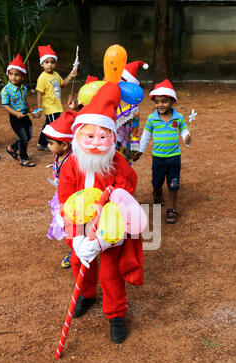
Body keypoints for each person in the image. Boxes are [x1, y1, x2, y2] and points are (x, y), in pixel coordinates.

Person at [58, 82, 143, 344]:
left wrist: (104, 237)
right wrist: (77, 239)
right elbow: (64, 199)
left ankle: (115, 313)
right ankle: (87, 294)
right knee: (78, 261)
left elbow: (124, 191)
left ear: (112, 138)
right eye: (90, 137)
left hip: (110, 228)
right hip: (80, 226)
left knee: (110, 272)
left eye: (102, 137)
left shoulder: (118, 162)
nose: (96, 143)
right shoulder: (71, 164)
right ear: (78, 135)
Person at [133, 79, 191, 224]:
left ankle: (171, 209)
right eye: (157, 102)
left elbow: (183, 130)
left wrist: (186, 138)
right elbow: (146, 136)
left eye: (164, 101)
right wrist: (139, 151)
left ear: (173, 101)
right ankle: (157, 190)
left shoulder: (178, 118)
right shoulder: (152, 119)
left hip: (174, 157)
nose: (160, 105)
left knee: (174, 184)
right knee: (157, 181)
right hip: (158, 158)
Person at [42, 110, 78, 268]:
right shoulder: (60, 155)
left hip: (73, 199)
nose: (48, 146)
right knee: (67, 225)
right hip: (61, 196)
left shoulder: (73, 159)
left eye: (51, 143)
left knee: (74, 226)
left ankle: (75, 252)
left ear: (64, 145)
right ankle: (74, 249)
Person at [36, 45, 77, 152]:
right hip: (50, 107)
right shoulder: (42, 78)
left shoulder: (56, 74)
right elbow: (39, 94)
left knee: (48, 124)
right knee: (54, 125)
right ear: (42, 64)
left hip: (56, 105)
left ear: (55, 63)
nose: (50, 64)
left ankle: (41, 142)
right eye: (47, 62)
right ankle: (53, 144)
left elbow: (63, 84)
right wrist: (39, 109)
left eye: (52, 62)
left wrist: (71, 75)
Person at [1, 54, 38, 167]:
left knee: (29, 135)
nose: (13, 77)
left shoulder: (24, 88)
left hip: (25, 115)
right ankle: (23, 157)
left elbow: (24, 101)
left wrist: (30, 110)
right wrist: (16, 113)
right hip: (15, 117)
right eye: (11, 74)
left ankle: (12, 148)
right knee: (23, 138)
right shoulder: (6, 90)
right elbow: (5, 106)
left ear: (23, 76)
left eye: (17, 74)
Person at [116, 60, 148, 165]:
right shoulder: (111, 100)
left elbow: (135, 131)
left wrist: (134, 149)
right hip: (108, 146)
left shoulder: (133, 109)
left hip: (124, 148)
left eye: (122, 80)